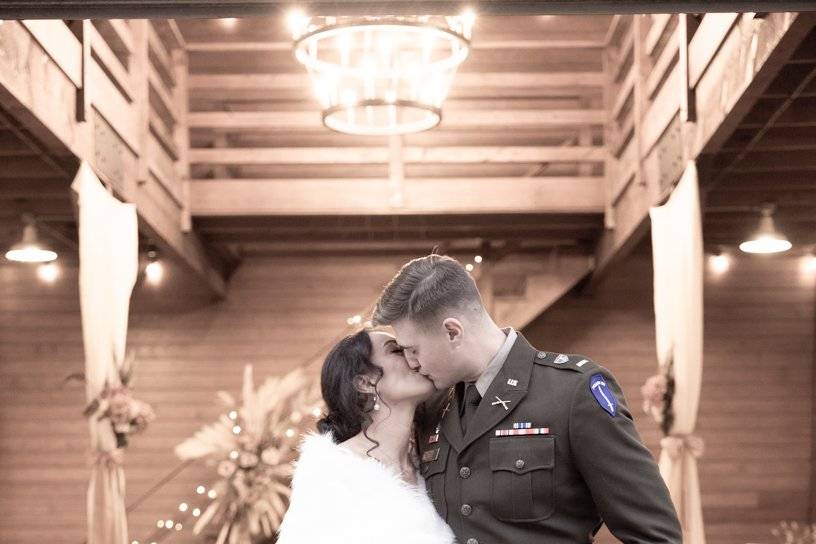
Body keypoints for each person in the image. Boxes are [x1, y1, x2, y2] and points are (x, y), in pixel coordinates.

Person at [371, 253, 683, 544]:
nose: (412, 363)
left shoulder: (572, 392)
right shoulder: (435, 407)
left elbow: (655, 536)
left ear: (453, 332)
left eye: (413, 349)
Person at [275, 329, 456, 544]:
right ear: (365, 383)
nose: (413, 357)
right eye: (398, 351)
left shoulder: (429, 463)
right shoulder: (331, 470)